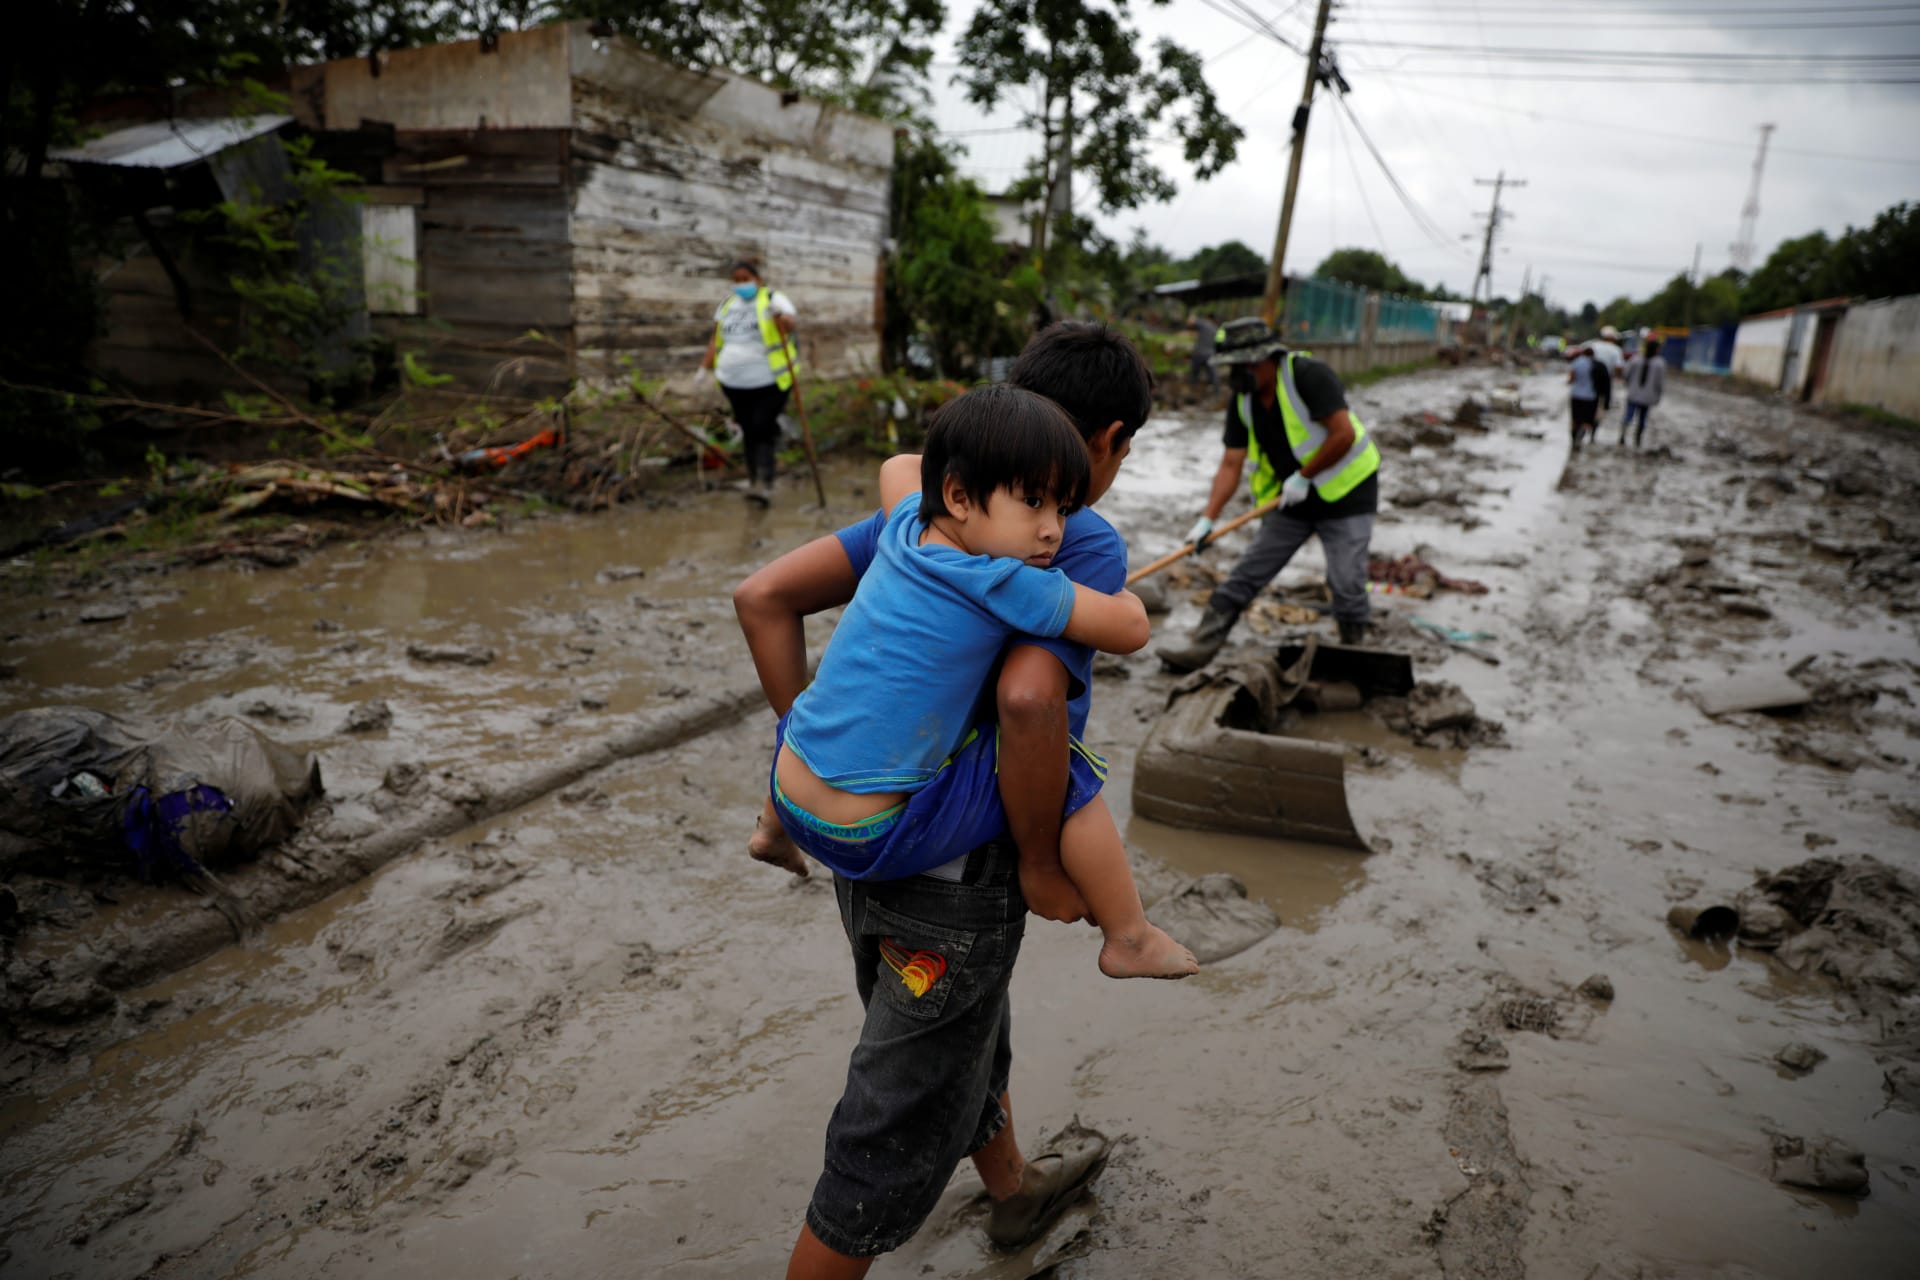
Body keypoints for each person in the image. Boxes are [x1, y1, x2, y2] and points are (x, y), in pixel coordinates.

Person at [731, 323, 1157, 1276]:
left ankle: (1012, 1188)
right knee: (890, 1123)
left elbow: (766, 591)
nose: (1052, 520)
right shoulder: (1078, 540)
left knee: (954, 1038)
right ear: (1111, 441)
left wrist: (820, 738)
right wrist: (1044, 861)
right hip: (949, 868)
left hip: (858, 839)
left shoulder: (930, 510)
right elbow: (1027, 699)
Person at [746, 383, 1197, 980]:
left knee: (827, 705)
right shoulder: (1001, 582)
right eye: (1033, 502)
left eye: (1063, 509)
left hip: (788, 786)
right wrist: (1099, 586)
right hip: (867, 837)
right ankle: (1129, 935)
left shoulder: (904, 525)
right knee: (1061, 761)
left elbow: (899, 467)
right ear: (958, 495)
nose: (1052, 533)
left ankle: (771, 830)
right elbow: (1132, 626)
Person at [1156, 318, 1382, 673]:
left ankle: (1355, 656)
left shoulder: (1309, 375)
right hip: (1292, 502)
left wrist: (1304, 477)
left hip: (1347, 494)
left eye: (1241, 366)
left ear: (1264, 359)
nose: (1235, 375)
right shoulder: (1243, 401)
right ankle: (1201, 647)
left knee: (1347, 580)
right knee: (1247, 573)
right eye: (1231, 367)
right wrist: (1207, 519)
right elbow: (1231, 463)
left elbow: (1343, 434)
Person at [701, 258, 797, 505]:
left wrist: (781, 317)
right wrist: (704, 368)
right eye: (736, 280)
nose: (741, 284)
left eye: (745, 279)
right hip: (733, 383)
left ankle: (765, 482)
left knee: (761, 427)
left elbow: (789, 325)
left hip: (769, 381)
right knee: (747, 429)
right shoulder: (726, 305)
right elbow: (715, 339)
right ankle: (754, 479)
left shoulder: (772, 298)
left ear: (757, 279)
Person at [1620, 336, 1667, 448]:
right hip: (1647, 397)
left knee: (1628, 416)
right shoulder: (1660, 363)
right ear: (1656, 349)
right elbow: (1660, 383)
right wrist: (1658, 396)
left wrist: (1628, 385)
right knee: (1642, 419)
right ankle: (1638, 439)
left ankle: (1622, 436)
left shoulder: (1635, 359)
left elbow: (1626, 375)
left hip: (1633, 394)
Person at [1589, 323, 1626, 421]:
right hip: (1605, 381)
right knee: (1603, 403)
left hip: (1590, 377)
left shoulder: (1594, 345)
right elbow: (1619, 367)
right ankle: (1596, 421)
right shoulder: (1616, 350)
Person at [1567, 344, 1600, 448]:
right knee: (1586, 420)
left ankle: (1573, 439)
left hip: (1576, 395)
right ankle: (1580, 438)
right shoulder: (1595, 364)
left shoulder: (1577, 362)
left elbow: (1571, 378)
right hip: (1590, 396)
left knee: (1575, 418)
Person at [1187, 314, 1219, 390]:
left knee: (1195, 373)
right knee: (1212, 373)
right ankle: (1215, 389)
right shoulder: (1216, 328)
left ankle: (1193, 387)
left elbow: (1191, 322)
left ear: (1208, 318)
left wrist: (1192, 316)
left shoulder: (1204, 323)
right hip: (1210, 354)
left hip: (1199, 353)